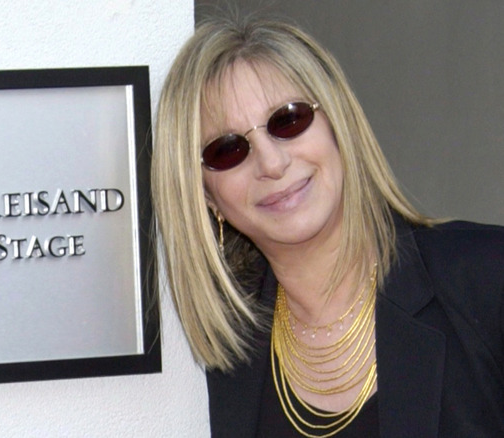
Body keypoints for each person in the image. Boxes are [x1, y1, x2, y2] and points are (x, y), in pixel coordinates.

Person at [151, 15, 504, 437]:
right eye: (228, 150)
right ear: (208, 198)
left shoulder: (487, 279)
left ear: (339, 124)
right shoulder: (220, 359)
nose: (272, 163)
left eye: (288, 120)